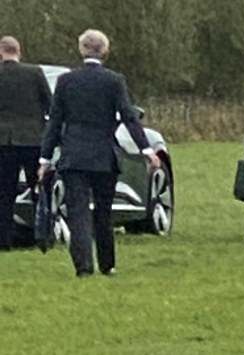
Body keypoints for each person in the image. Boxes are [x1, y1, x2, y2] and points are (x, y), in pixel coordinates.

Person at [38, 29, 161, 277]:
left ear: (82, 50)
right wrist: (147, 150)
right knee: (103, 212)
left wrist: (44, 158)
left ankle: (83, 267)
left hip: (74, 156)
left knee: (78, 212)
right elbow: (129, 116)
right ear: (104, 51)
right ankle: (108, 264)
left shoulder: (66, 81)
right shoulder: (114, 81)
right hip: (104, 156)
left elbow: (54, 123)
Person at [0, 36, 52, 250]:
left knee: (5, 193)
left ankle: (4, 241)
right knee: (39, 190)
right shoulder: (35, 73)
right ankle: (44, 236)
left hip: (4, 141)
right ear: (18, 51)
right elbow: (50, 105)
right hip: (33, 140)